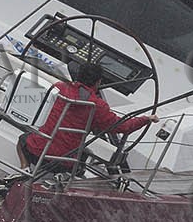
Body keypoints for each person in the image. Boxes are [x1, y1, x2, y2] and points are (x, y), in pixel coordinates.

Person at [17, 60, 153, 172]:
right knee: (85, 155)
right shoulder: (97, 106)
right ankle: (65, 182)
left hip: (35, 150)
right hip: (63, 163)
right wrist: (146, 119)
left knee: (23, 139)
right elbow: (123, 126)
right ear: (98, 82)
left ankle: (25, 169)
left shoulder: (59, 87)